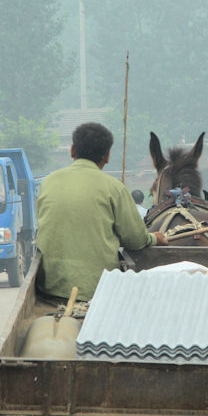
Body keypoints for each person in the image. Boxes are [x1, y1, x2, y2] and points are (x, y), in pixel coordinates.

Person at [36, 122, 168, 300]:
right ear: (107, 156)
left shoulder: (47, 183)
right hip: (97, 290)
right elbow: (135, 239)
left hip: (50, 289)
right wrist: (155, 238)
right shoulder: (115, 188)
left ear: (72, 151)